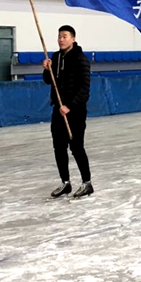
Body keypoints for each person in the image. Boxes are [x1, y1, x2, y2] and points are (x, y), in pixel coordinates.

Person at [42, 25, 93, 198]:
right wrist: (47, 69)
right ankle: (65, 183)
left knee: (76, 147)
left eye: (64, 36)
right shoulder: (56, 57)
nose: (61, 39)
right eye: (59, 36)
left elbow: (85, 90)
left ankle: (87, 183)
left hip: (75, 111)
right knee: (59, 147)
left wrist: (69, 105)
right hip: (58, 109)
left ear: (73, 38)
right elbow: (49, 81)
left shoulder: (81, 59)